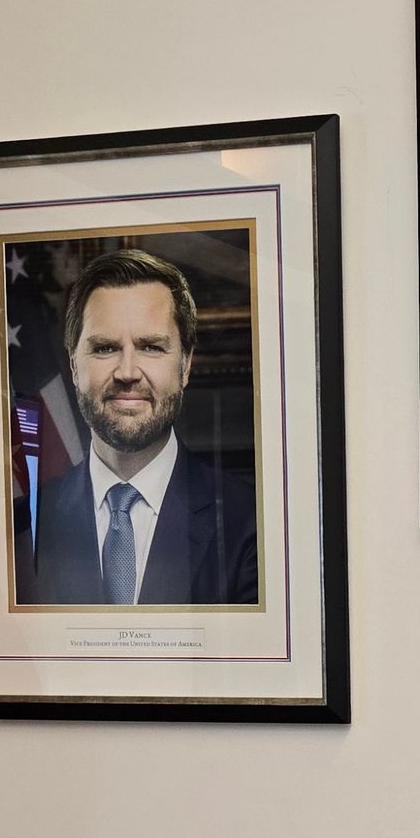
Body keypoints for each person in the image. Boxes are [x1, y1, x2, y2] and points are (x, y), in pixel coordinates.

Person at [32, 246, 258, 607]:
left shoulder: (252, 524)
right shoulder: (25, 525)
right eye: (105, 348)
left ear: (184, 366)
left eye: (151, 347)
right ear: (74, 366)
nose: (127, 372)